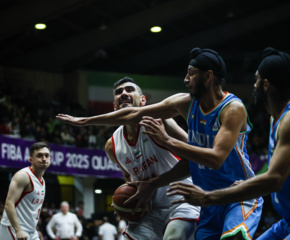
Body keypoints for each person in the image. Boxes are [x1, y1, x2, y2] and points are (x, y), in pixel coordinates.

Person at [57, 47, 263, 240]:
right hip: (203, 198)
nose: (185, 79)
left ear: (208, 76)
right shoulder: (183, 103)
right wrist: (84, 121)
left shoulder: (232, 108)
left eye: (190, 73)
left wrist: (167, 141)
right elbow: (133, 117)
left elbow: (213, 158)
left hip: (230, 194)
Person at [166, 47, 290, 240]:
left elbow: (274, 179)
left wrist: (209, 197)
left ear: (266, 84)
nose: (254, 85)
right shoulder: (277, 118)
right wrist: (249, 183)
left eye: (257, 80)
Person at [105, 77, 200, 239]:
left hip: (181, 201)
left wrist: (151, 185)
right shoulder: (111, 146)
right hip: (148, 211)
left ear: (143, 101)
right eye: (119, 92)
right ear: (115, 107)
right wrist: (125, 202)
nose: (124, 93)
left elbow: (196, 159)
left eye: (129, 90)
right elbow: (129, 178)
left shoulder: (160, 122)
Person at [0, 142, 51, 240]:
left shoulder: (42, 181)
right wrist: (18, 230)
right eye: (39, 156)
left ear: (50, 159)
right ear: (31, 160)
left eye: (46, 155)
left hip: (31, 231)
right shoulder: (23, 176)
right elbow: (8, 203)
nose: (44, 158)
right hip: (13, 229)